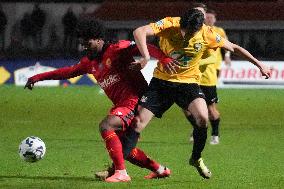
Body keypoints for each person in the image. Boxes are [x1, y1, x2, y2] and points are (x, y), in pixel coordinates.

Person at [121, 8, 271, 179]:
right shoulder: (170, 23)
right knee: (137, 123)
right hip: (162, 82)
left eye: (190, 33)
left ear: (200, 28)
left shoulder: (208, 34)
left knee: (202, 118)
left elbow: (234, 48)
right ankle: (117, 169)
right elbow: (139, 31)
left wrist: (260, 65)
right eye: (184, 30)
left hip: (188, 83)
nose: (185, 36)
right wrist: (146, 57)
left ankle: (196, 158)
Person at [24, 18, 171, 183]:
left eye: (88, 41)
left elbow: (144, 46)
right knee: (125, 150)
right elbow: (67, 72)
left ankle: (121, 173)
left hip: (135, 101)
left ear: (99, 39)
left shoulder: (117, 49)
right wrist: (38, 77)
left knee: (106, 126)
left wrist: (163, 59)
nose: (84, 45)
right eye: (82, 42)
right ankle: (160, 170)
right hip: (122, 104)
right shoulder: (89, 62)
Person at [188, 8, 232, 145]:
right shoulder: (192, 31)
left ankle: (215, 133)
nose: (208, 20)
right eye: (207, 18)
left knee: (211, 108)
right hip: (191, 77)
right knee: (187, 109)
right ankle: (198, 128)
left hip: (208, 76)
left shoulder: (215, 33)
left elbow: (225, 48)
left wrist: (227, 56)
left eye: (211, 18)